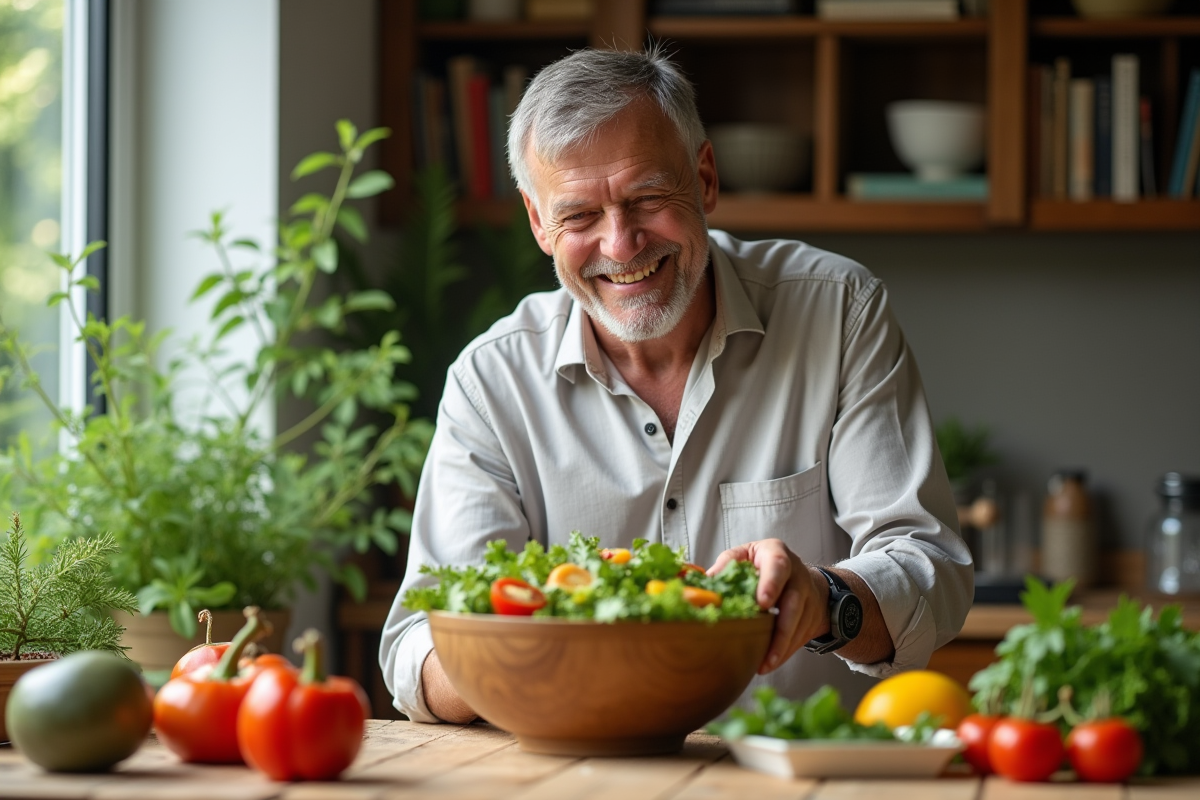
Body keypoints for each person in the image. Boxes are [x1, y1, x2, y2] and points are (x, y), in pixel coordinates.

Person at [380, 46, 973, 724]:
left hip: (795, 779)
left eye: (647, 198)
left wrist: (820, 597)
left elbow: (931, 569)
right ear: (539, 223)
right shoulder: (492, 381)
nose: (622, 243)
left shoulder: (839, 312)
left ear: (706, 177)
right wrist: (553, 644)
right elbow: (414, 647)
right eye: (578, 217)